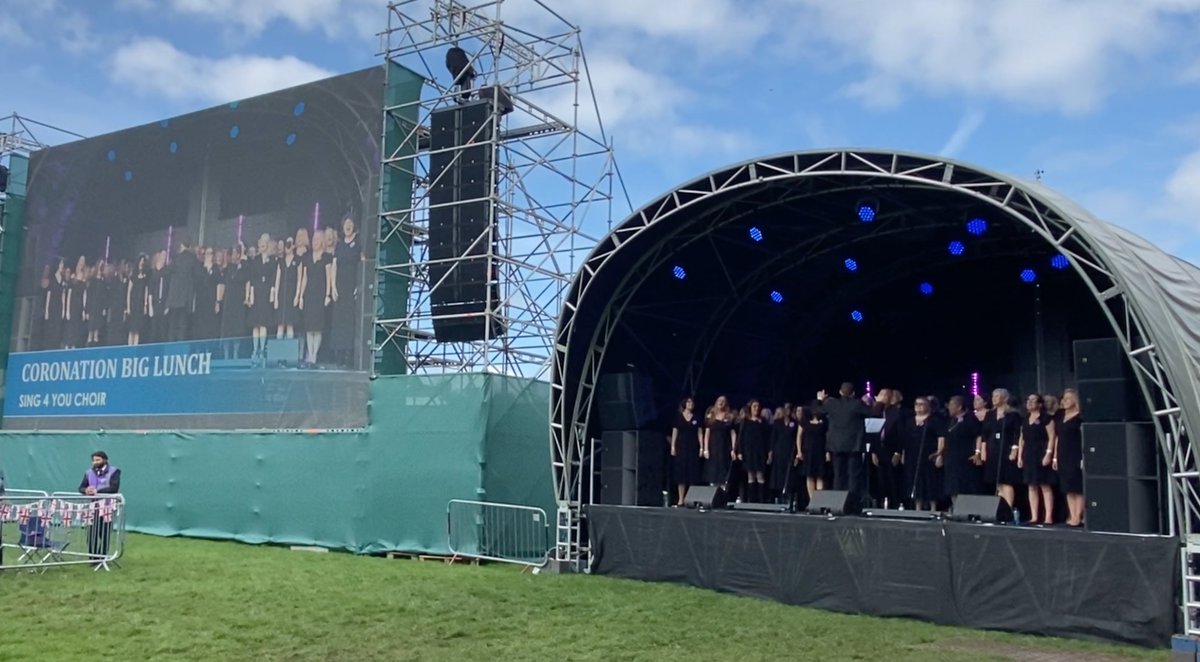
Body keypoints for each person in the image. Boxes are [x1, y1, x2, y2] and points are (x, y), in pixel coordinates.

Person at [814, 383, 875, 498]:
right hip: (854, 446)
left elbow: (817, 411)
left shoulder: (832, 404)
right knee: (853, 475)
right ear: (853, 393)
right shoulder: (857, 404)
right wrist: (880, 402)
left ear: (840, 392)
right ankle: (851, 501)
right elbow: (872, 412)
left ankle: (838, 500)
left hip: (836, 445)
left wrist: (821, 399)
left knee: (838, 474)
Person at [1018, 394, 1057, 525]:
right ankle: (1034, 516)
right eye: (1028, 400)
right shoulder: (1025, 419)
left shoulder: (1046, 418)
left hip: (1041, 452)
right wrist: (1020, 456)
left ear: (1040, 404)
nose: (1029, 403)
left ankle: (1048, 516)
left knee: (1044, 485)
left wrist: (1049, 454)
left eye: (1033, 400)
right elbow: (1022, 438)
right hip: (1028, 453)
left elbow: (1052, 437)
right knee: (1031, 485)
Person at [981, 388, 1022, 507]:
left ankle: (1009, 507)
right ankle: (1000, 508)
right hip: (993, 449)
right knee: (997, 481)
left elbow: (1017, 433)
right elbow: (985, 433)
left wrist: (1014, 449)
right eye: (993, 396)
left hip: (1006, 449)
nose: (994, 399)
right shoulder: (990, 414)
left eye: (997, 396)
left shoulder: (1012, 414)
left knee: (1006, 480)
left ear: (1005, 398)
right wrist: (983, 450)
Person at [78, 451, 121, 561]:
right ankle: (92, 557)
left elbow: (114, 488)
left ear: (105, 460)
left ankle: (102, 557)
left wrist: (97, 491)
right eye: (94, 460)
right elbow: (81, 487)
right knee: (91, 533)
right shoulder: (88, 472)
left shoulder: (114, 471)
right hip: (93, 507)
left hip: (107, 507)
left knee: (104, 533)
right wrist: (86, 490)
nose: (95, 462)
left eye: (98, 460)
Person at [942, 395, 984, 501]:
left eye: (952, 405)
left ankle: (967, 510)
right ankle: (955, 508)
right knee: (952, 486)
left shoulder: (971, 419)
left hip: (966, 458)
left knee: (966, 485)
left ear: (959, 407)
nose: (949, 407)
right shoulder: (950, 420)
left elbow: (978, 436)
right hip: (951, 458)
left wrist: (977, 452)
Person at [1055, 388, 1085, 527]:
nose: (1064, 401)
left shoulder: (1080, 417)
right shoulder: (1061, 416)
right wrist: (1055, 456)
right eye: (1063, 399)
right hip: (1062, 453)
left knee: (1077, 487)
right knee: (1067, 487)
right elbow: (1057, 437)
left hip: (1075, 453)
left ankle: (1078, 516)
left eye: (1068, 399)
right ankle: (1072, 514)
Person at [669, 397, 703, 506]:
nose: (690, 404)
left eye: (692, 402)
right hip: (681, 447)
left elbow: (700, 433)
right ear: (684, 404)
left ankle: (691, 499)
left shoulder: (697, 418)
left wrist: (702, 447)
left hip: (693, 448)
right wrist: (673, 446)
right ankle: (681, 499)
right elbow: (675, 431)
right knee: (681, 474)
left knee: (692, 473)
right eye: (688, 402)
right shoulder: (678, 417)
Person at [735, 399, 769, 503]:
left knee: (760, 475)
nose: (756, 408)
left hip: (760, 451)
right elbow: (741, 438)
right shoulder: (745, 422)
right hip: (748, 451)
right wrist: (739, 451)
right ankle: (752, 500)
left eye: (758, 406)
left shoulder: (763, 422)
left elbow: (767, 438)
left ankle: (761, 500)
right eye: (754, 406)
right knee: (750, 475)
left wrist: (768, 453)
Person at [702, 396, 736, 488]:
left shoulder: (729, 417)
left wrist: (733, 449)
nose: (721, 402)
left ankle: (723, 491)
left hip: (725, 447)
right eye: (719, 401)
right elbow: (707, 434)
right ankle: (712, 490)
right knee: (713, 469)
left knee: (723, 468)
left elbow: (733, 433)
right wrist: (705, 449)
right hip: (713, 447)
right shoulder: (711, 417)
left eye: (723, 401)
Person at [797, 405, 829, 499]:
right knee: (809, 475)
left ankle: (818, 500)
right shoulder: (804, 421)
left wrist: (827, 451)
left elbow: (827, 438)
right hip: (808, 451)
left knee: (820, 475)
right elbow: (799, 436)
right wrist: (799, 451)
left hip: (820, 451)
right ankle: (812, 500)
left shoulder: (824, 422)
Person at [767, 403, 797, 504]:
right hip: (778, 451)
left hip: (790, 452)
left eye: (789, 408)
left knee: (788, 474)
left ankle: (789, 496)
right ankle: (778, 496)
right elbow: (773, 438)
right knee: (778, 475)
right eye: (786, 408)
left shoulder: (795, 423)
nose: (787, 410)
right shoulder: (777, 422)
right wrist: (770, 452)